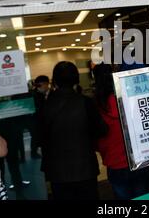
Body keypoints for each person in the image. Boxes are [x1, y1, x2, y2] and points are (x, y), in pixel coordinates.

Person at [40, 61, 107, 200]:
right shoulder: (86, 102)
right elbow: (101, 130)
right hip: (85, 168)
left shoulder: (44, 106)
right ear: (76, 79)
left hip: (57, 172)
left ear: (55, 80)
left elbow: (41, 137)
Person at [93, 63, 149, 200]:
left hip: (114, 163)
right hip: (139, 159)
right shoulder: (129, 98)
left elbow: (96, 139)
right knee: (144, 196)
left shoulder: (96, 106)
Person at [31, 75, 50, 158]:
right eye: (47, 84)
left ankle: (35, 152)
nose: (48, 87)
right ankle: (34, 152)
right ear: (43, 84)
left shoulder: (35, 94)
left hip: (37, 121)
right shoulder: (38, 96)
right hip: (38, 122)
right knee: (37, 137)